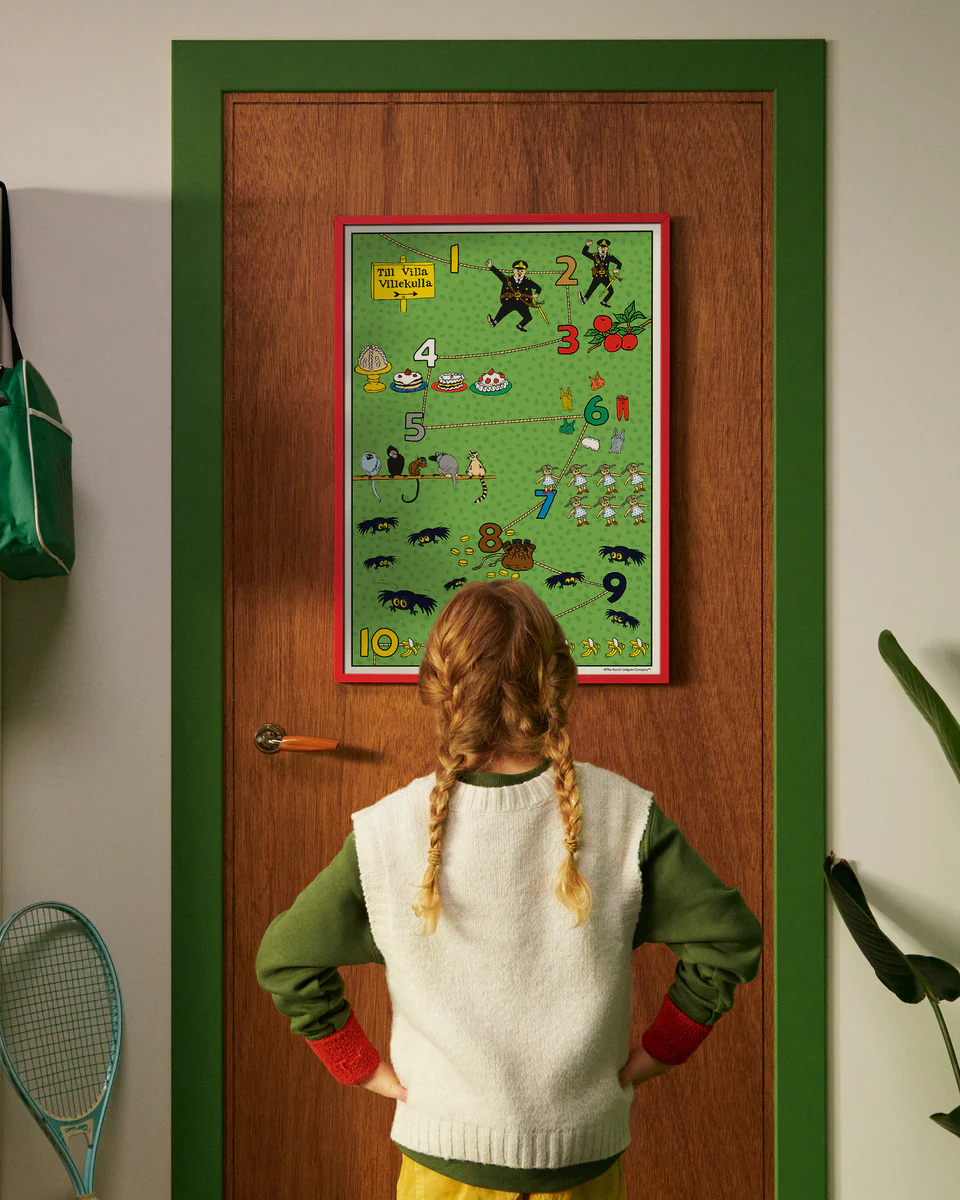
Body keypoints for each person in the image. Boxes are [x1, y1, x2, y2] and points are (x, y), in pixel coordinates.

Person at [256, 580, 762, 1200]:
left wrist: (361, 1068)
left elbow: (284, 959)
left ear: (439, 689)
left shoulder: (388, 829)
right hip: (583, 1165)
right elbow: (730, 940)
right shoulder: (627, 815)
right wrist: (661, 1051)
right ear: (558, 681)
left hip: (442, 1168)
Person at [485, 258, 542, 332]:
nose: (519, 273)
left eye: (522, 271)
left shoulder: (527, 281)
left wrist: (536, 294)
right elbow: (499, 274)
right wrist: (491, 266)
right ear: (513, 271)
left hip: (522, 303)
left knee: (528, 317)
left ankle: (520, 325)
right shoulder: (508, 279)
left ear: (525, 272)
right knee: (503, 311)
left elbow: (538, 288)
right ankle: (494, 322)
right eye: (517, 271)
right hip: (510, 302)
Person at [578, 239, 622, 308]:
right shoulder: (595, 256)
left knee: (611, 291)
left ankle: (604, 302)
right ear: (598, 248)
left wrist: (617, 269)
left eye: (604, 248)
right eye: (601, 248)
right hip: (597, 276)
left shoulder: (610, 257)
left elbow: (619, 263)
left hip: (605, 277)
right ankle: (584, 299)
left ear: (607, 249)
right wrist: (587, 245)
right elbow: (584, 252)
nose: (603, 249)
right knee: (591, 288)